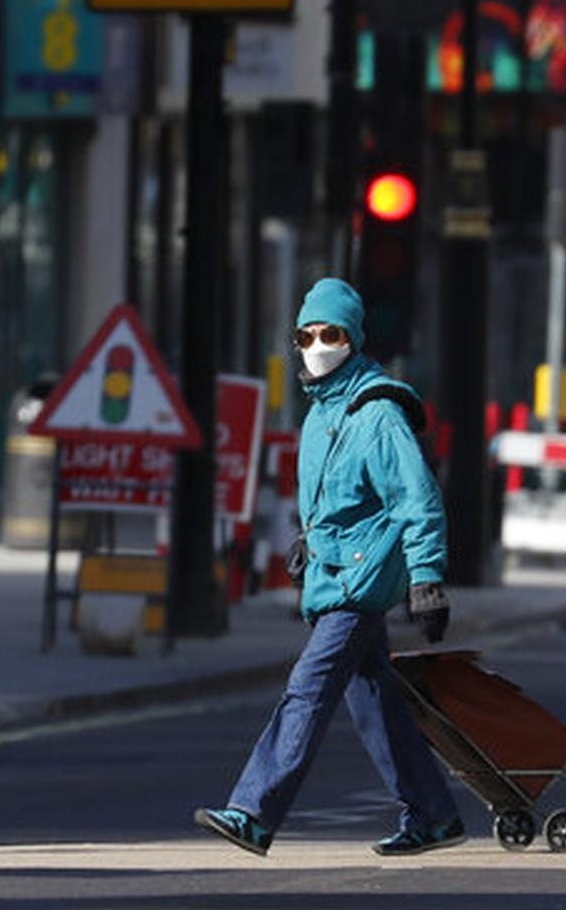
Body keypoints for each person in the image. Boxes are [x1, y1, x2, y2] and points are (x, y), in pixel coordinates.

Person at [193, 277, 465, 858]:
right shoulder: (321, 413)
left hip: (362, 581)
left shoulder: (377, 414)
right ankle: (434, 814)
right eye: (306, 334)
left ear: (355, 338)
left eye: (332, 333)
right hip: (338, 571)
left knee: (307, 689)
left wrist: (427, 580)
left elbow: (417, 499)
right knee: (376, 704)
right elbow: (336, 503)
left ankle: (253, 811)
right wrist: (307, 541)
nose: (318, 344)